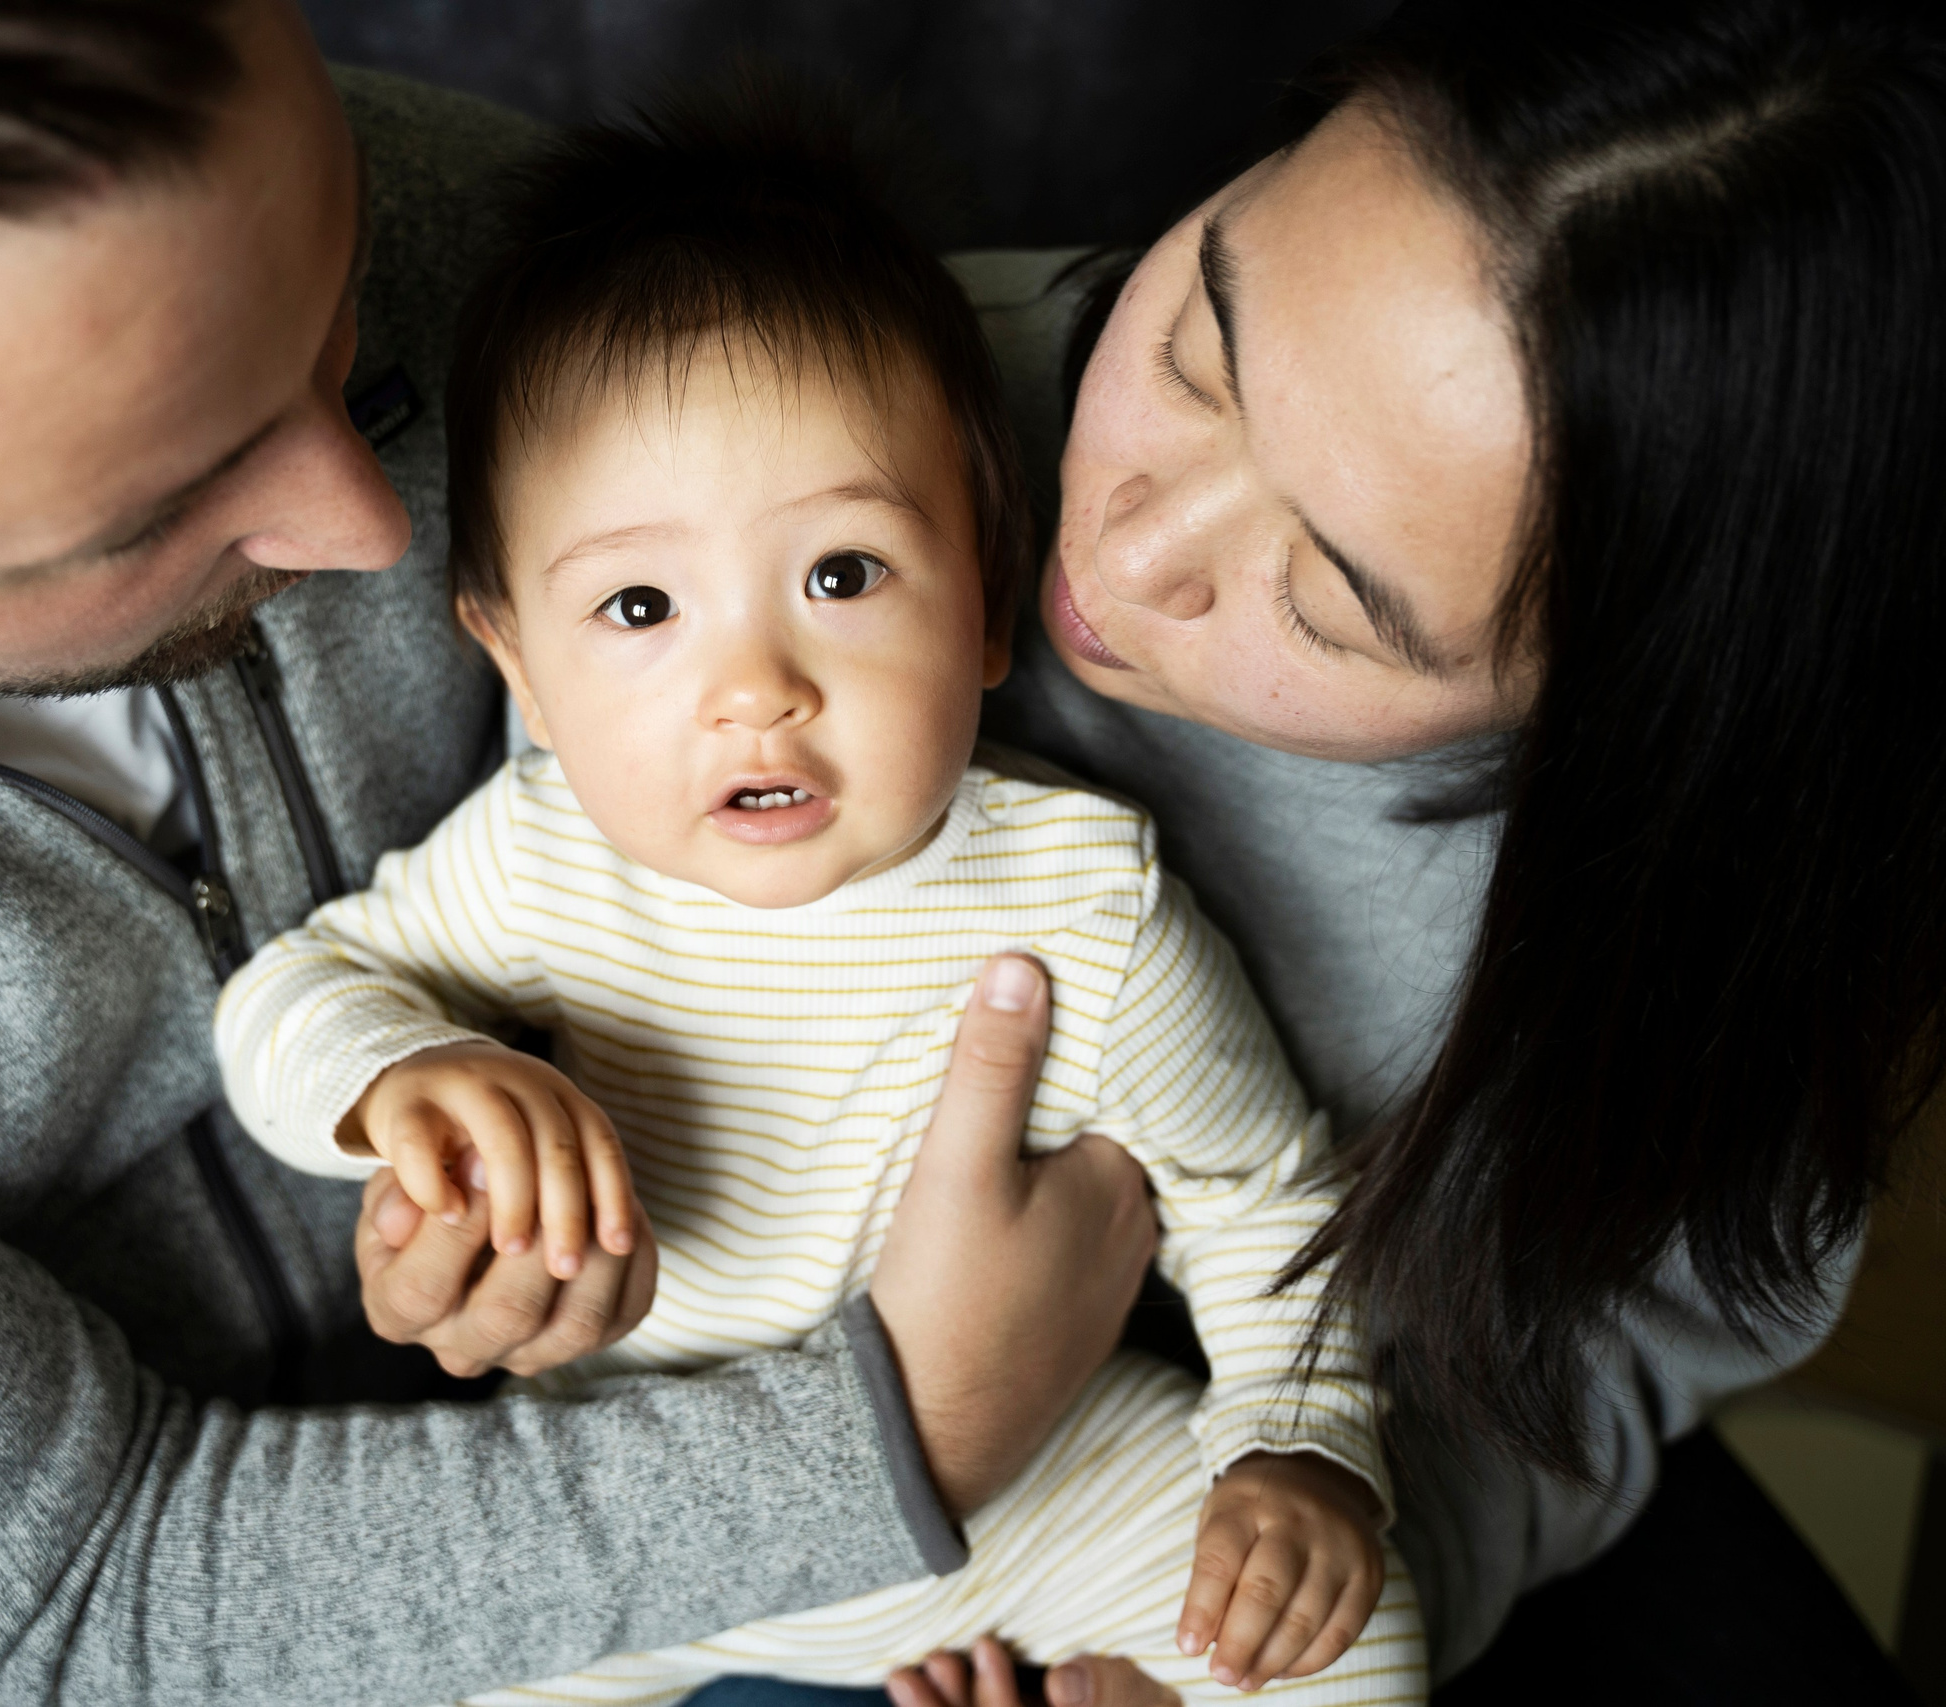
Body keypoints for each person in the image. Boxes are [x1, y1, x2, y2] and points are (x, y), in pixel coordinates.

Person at [0, 3, 1159, 1702]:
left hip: (708, 1298)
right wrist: (905, 1422)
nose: (370, 520)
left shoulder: (438, 204)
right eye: (164, 500)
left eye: (344, 341)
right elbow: (94, 1583)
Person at [661, 0, 1944, 1701]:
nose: (1124, 550)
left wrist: (1290, 1620)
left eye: (1332, 599)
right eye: (1200, 340)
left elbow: (1628, 1347)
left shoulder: (1720, 936)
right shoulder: (795, 429)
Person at [216, 102, 1424, 1702]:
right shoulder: (538, 853)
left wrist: (1302, 1451)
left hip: (1038, 1493)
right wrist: (395, 1077)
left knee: (1360, 1638)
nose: (753, 689)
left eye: (842, 575)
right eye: (639, 606)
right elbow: (285, 996)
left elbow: (1265, 1201)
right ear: (516, 658)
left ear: (989, 605)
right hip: (638, 1493)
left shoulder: (1083, 903)